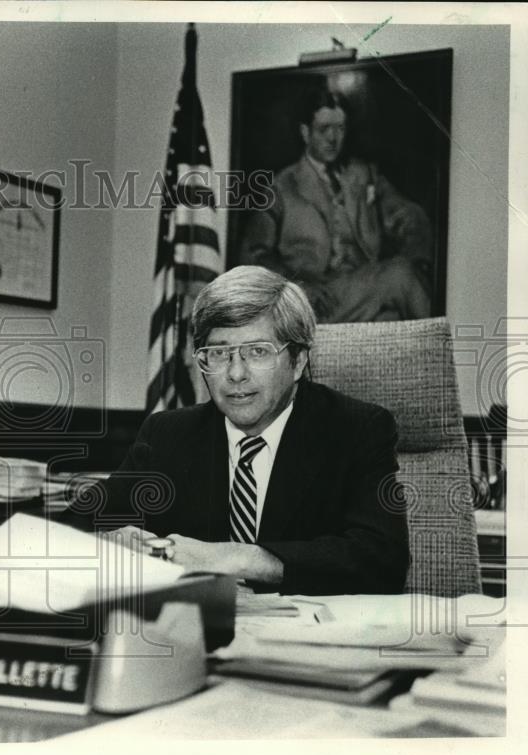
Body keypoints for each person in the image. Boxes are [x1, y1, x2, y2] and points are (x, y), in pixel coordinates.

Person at [68, 266, 409, 595]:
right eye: (218, 353)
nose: (235, 374)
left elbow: (382, 561)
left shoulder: (355, 430)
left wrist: (243, 558)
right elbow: (71, 529)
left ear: (298, 362)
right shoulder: (168, 435)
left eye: (257, 351)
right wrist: (108, 541)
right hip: (199, 637)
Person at [238, 88, 433, 323]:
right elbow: (253, 256)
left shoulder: (363, 174)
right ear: (305, 132)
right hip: (313, 297)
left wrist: (417, 259)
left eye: (340, 129)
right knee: (399, 276)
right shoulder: (281, 187)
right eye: (324, 129)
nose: (333, 138)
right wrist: (296, 286)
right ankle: (440, 353)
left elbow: (409, 216)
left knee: (391, 314)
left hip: (363, 288)